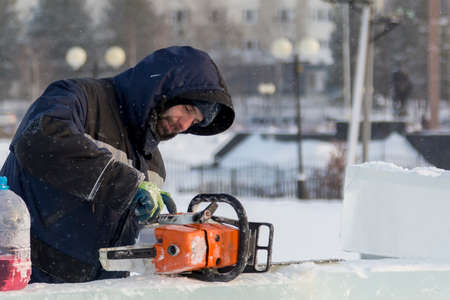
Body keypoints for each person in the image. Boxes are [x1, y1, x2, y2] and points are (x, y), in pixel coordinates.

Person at [0, 46, 234, 283]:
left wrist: (169, 233)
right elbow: (40, 139)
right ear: (162, 90)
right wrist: (126, 186)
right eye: (187, 109)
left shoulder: (153, 165)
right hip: (23, 280)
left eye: (195, 121)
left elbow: (127, 245)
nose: (184, 125)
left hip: (104, 290)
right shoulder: (79, 98)